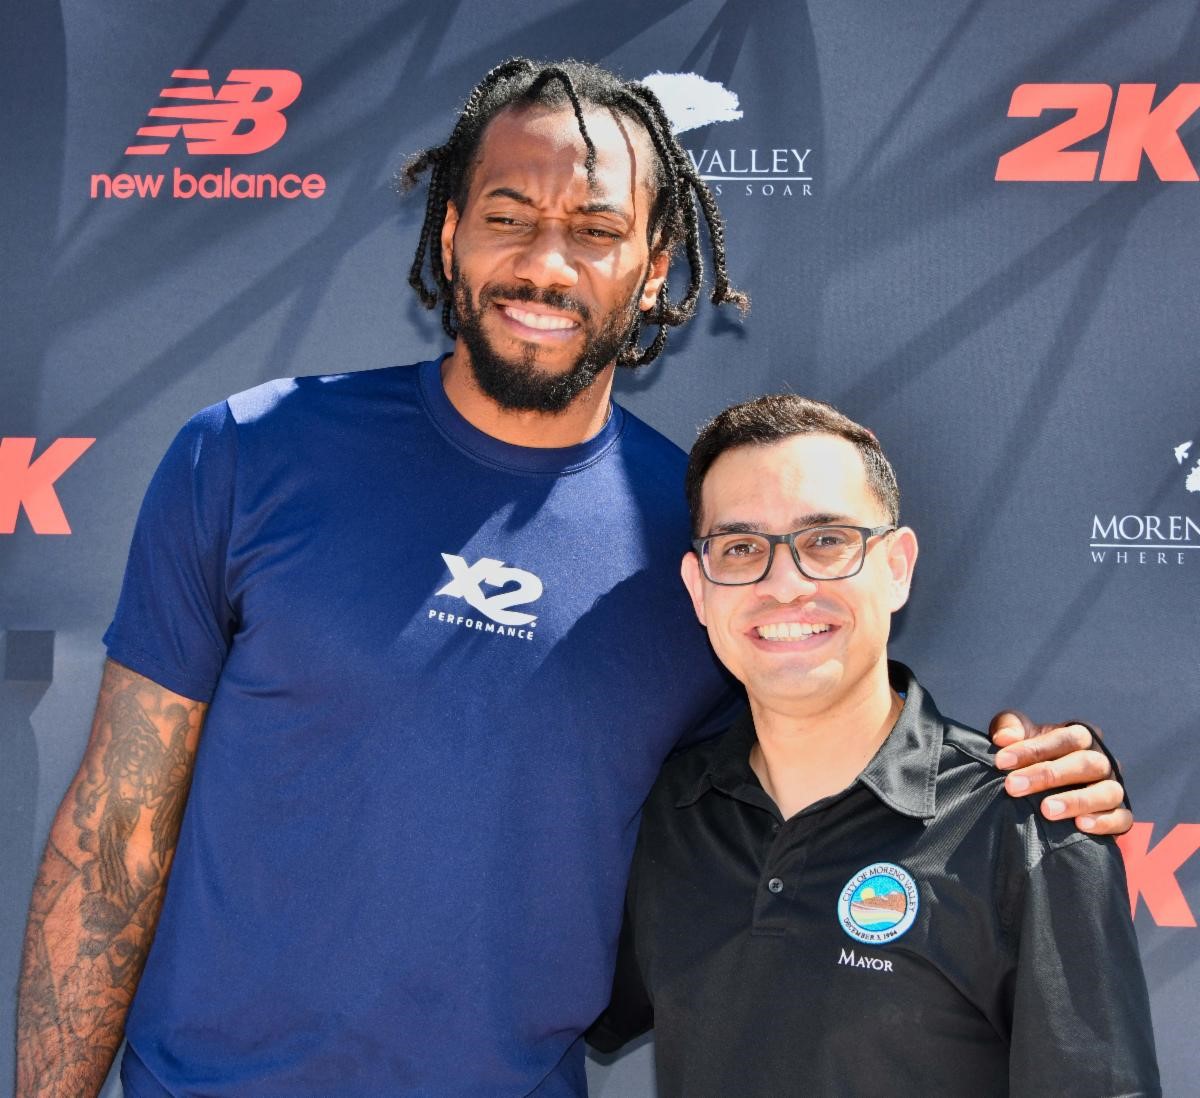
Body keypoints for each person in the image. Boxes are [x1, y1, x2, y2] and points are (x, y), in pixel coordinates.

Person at [16, 59, 1129, 1098]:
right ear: (451, 235)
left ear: (653, 272)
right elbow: (117, 830)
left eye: (596, 231)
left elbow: (828, 734)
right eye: (508, 218)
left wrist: (1025, 792)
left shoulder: (699, 548)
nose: (546, 265)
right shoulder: (249, 454)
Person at [588, 394, 1159, 1097]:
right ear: (699, 590)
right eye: (740, 548)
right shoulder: (667, 814)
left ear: (896, 567)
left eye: (826, 540)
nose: (785, 584)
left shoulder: (1026, 825)